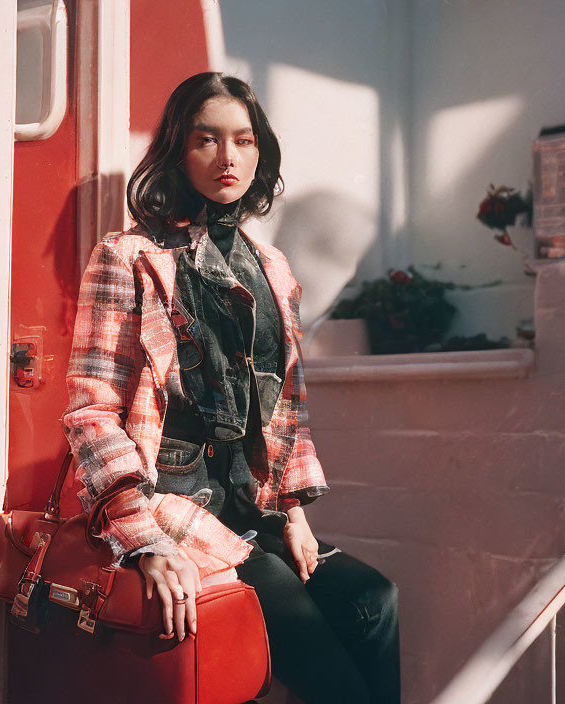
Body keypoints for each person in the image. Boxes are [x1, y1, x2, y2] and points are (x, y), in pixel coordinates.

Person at [63, 72, 399, 704]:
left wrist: (293, 512)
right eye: (207, 140)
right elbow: (92, 410)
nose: (229, 158)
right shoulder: (129, 256)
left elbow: (283, 410)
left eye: (244, 141)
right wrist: (144, 541)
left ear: (259, 152)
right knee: (327, 669)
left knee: (374, 602)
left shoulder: (272, 268)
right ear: (176, 151)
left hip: (251, 505)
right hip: (174, 501)